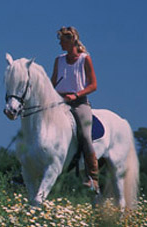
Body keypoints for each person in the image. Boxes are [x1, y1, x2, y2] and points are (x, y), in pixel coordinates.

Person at [51, 26, 100, 193]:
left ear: (71, 40)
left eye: (62, 41)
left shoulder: (85, 59)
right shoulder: (59, 60)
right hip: (60, 101)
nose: (60, 44)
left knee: (85, 136)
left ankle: (93, 177)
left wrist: (76, 94)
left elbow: (93, 85)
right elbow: (53, 83)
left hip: (79, 102)